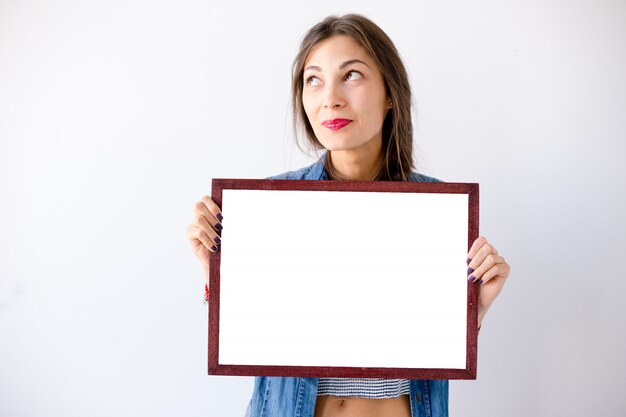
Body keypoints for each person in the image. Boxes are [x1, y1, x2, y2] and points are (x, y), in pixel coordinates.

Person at [186, 13, 511, 417]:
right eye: (314, 80)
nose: (331, 98)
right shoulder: (268, 210)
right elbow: (257, 334)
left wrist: (471, 311)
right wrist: (215, 273)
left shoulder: (437, 217)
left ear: (391, 92)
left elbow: (428, 345)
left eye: (352, 75)